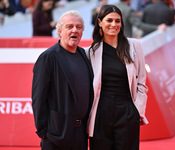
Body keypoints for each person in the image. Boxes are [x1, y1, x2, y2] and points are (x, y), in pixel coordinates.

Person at [86, 4, 148, 150]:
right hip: (100, 112)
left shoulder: (134, 46)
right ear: (100, 22)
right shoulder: (91, 52)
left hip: (127, 110)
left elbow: (141, 82)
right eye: (109, 20)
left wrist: (136, 111)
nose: (114, 24)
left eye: (117, 21)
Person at [32, 10, 94, 150]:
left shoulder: (83, 55)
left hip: (80, 134)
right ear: (59, 31)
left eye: (78, 27)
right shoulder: (48, 57)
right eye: (69, 26)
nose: (75, 30)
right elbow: (38, 97)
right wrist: (44, 132)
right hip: (56, 135)